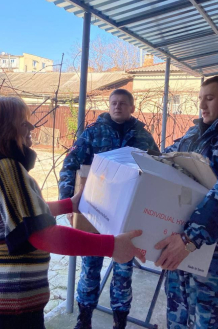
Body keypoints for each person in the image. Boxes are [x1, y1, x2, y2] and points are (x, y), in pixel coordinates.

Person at [0, 96, 146, 329]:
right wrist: (111, 246)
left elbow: (24, 214)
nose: (31, 127)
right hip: (7, 306)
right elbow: (41, 234)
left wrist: (69, 204)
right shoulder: (8, 171)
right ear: (6, 130)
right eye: (23, 122)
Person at [153, 76, 218, 329]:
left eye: (209, 98)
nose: (201, 105)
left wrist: (190, 239)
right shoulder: (195, 133)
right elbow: (166, 158)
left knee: (209, 321)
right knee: (178, 317)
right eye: (200, 99)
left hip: (214, 251)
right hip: (180, 242)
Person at [58, 89, 159, 329]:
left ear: (132, 108)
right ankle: (84, 319)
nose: (117, 107)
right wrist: (67, 201)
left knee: (123, 271)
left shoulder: (143, 137)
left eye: (123, 103)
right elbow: (70, 164)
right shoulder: (92, 133)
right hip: (95, 210)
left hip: (128, 214)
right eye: (113, 103)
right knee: (90, 267)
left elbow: (159, 171)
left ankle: (119, 321)